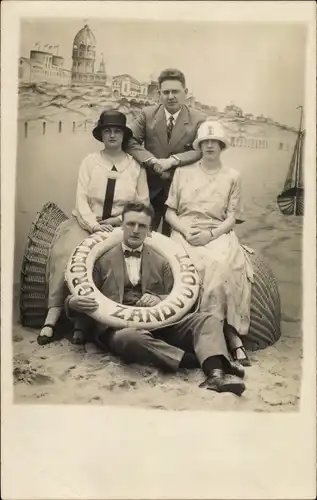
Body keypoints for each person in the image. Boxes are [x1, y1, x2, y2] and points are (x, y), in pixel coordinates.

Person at [64, 201, 246, 396]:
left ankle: (215, 375)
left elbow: (179, 295)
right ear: (121, 226)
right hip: (122, 328)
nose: (135, 230)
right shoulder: (102, 260)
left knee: (207, 320)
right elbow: (84, 291)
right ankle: (199, 361)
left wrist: (159, 299)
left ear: (149, 231)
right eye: (130, 224)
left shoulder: (162, 260)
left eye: (142, 226)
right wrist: (72, 304)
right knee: (129, 338)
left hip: (163, 325)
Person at [37, 110, 149, 346]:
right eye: (107, 130)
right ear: (101, 134)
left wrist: (117, 222)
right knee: (69, 253)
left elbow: (142, 203)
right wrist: (94, 225)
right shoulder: (90, 162)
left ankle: (84, 321)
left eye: (117, 131)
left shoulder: (135, 166)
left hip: (120, 226)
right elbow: (81, 199)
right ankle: (53, 314)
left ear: (123, 135)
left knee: (109, 259)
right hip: (86, 222)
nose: (112, 135)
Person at [165, 121, 254, 366]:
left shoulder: (232, 176)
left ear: (222, 145)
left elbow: (231, 218)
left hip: (217, 232)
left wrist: (210, 235)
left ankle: (228, 334)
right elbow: (170, 212)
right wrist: (183, 229)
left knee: (222, 266)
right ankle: (195, 332)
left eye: (214, 142)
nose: (210, 146)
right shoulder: (183, 172)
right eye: (205, 142)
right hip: (185, 230)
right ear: (200, 145)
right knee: (188, 265)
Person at [126, 68, 206, 235]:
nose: (171, 96)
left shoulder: (199, 119)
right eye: (166, 92)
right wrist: (151, 160)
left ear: (185, 92)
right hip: (149, 191)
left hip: (182, 193)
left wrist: (173, 160)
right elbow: (129, 141)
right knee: (146, 238)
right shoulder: (147, 114)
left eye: (175, 92)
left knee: (176, 243)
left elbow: (201, 150)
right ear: (159, 94)